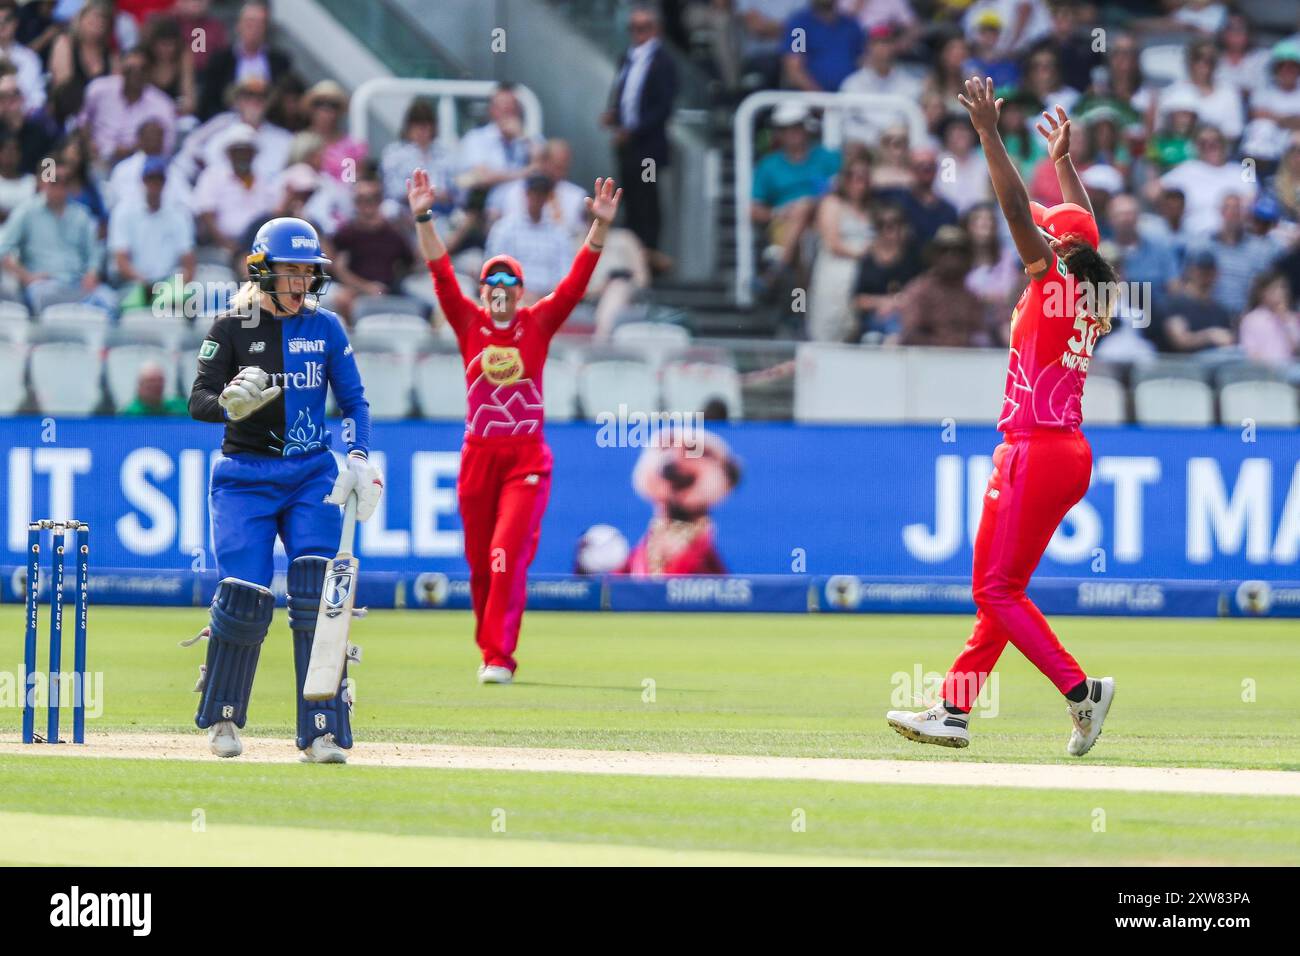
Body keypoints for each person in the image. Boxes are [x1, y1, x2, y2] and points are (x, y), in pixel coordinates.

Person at [886, 87, 1118, 755]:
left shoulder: (1050, 278)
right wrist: (1065, 165)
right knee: (999, 588)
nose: (1035, 228)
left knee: (994, 587)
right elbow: (1085, 227)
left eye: (1050, 227)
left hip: (1034, 449)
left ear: (1055, 242)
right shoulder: (1093, 288)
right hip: (1062, 449)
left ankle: (1082, 693)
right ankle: (953, 711)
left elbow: (1015, 206)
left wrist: (988, 133)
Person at [408, 168, 619, 684]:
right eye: (492, 282)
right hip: (478, 455)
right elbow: (438, 269)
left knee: (505, 553)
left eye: (509, 283)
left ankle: (500, 656)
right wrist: (422, 217)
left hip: (525, 458)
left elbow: (575, 285)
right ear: (482, 292)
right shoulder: (466, 322)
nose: (500, 290)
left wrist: (599, 230)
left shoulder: (538, 322)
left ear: (521, 292)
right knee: (481, 563)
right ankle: (487, 647)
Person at [187, 216, 383, 763]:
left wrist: (360, 460)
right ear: (262, 270)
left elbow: (356, 403)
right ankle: (223, 717)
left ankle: (321, 728)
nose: (300, 283)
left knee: (319, 593)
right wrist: (229, 403)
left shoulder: (326, 328)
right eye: (289, 271)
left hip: (310, 475)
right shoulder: (231, 326)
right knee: (246, 596)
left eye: (308, 272)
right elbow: (197, 399)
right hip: (244, 478)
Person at [604, 6, 677, 268]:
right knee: (630, 195)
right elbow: (623, 94)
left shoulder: (663, 62)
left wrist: (633, 129)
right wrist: (614, 115)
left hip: (648, 144)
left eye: (644, 28)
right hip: (629, 145)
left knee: (648, 197)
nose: (638, 33)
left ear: (655, 29)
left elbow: (663, 107)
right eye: (633, 28)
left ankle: (649, 251)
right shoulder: (628, 58)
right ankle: (632, 250)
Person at [108, 156, 196, 312]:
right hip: (134, 283)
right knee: (119, 302)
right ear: (143, 180)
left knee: (189, 297)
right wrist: (143, 282)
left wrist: (170, 286)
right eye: (150, 179)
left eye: (159, 179)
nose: (154, 184)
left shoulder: (179, 215)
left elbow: (188, 263)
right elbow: (121, 260)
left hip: (168, 284)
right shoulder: (123, 212)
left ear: (164, 182)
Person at [120, 361, 187, 415]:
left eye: (160, 380)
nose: (156, 385)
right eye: (151, 381)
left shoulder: (180, 406)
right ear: (140, 384)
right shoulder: (129, 414)